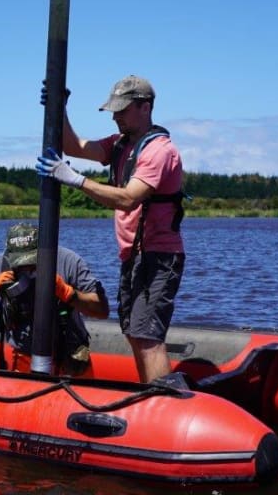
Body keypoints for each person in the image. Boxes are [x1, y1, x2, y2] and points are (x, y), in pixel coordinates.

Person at [36, 75, 186, 383]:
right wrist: (58, 108)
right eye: (114, 111)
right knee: (134, 332)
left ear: (145, 108)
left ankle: (162, 401)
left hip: (158, 255)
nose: (115, 116)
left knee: (147, 336)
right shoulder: (120, 145)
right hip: (134, 255)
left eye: (122, 110)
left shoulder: (159, 150)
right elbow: (72, 145)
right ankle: (151, 393)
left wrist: (76, 179)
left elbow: (129, 199)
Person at [0, 222, 108, 375]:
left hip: (71, 353)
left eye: (31, 262)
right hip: (25, 353)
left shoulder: (69, 261)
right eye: (20, 263)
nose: (26, 268)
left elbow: (102, 310)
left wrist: (68, 293)